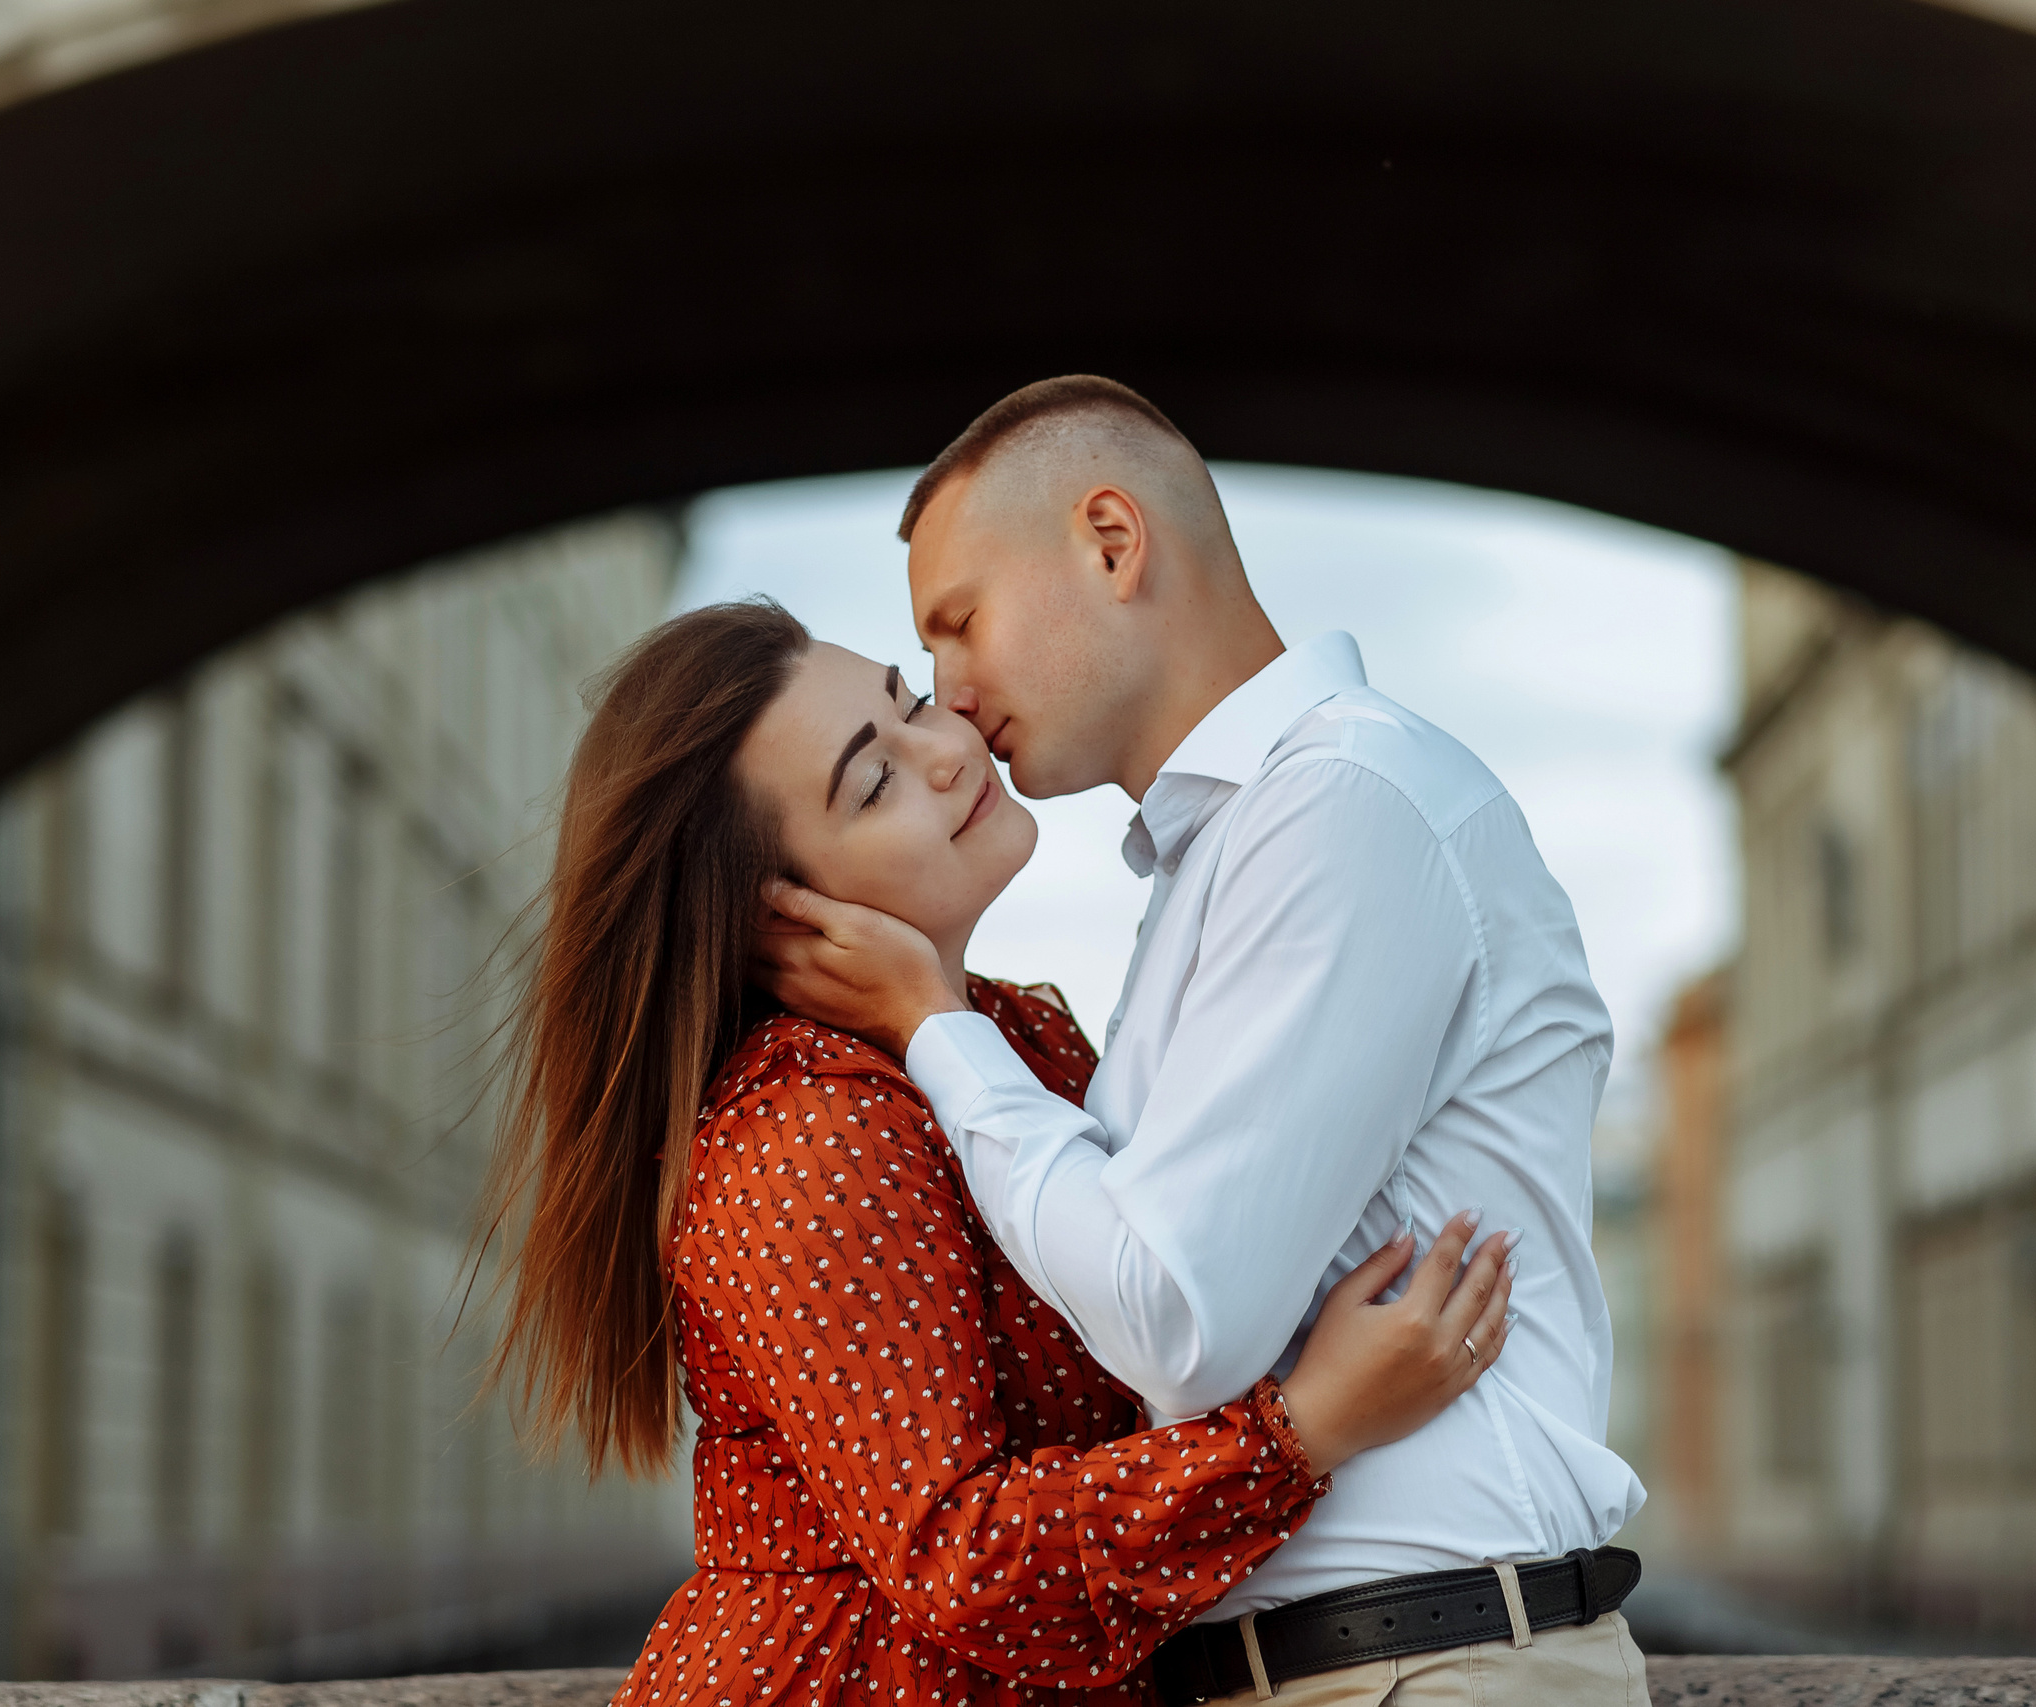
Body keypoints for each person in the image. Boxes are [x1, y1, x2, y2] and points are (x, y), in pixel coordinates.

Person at [760, 376, 1649, 1706]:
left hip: (1432, 1663)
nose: (949, 694)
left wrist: (935, 1028)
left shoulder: (1346, 808)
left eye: (958, 623)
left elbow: (1180, 1313)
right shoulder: (1225, 853)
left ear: (1111, 542)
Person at [485, 598, 1518, 1707]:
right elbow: (963, 1557)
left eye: (911, 701)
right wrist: (1304, 1430)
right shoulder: (807, 1132)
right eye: (872, 782)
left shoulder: (1014, 1042)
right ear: (777, 917)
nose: (941, 753)